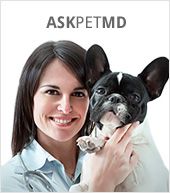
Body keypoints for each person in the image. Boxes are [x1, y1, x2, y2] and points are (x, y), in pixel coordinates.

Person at [1, 40, 139, 192]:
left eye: (78, 94)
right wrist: (102, 184)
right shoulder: (8, 182)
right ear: (29, 97)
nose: (66, 108)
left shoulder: (122, 159)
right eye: (52, 92)